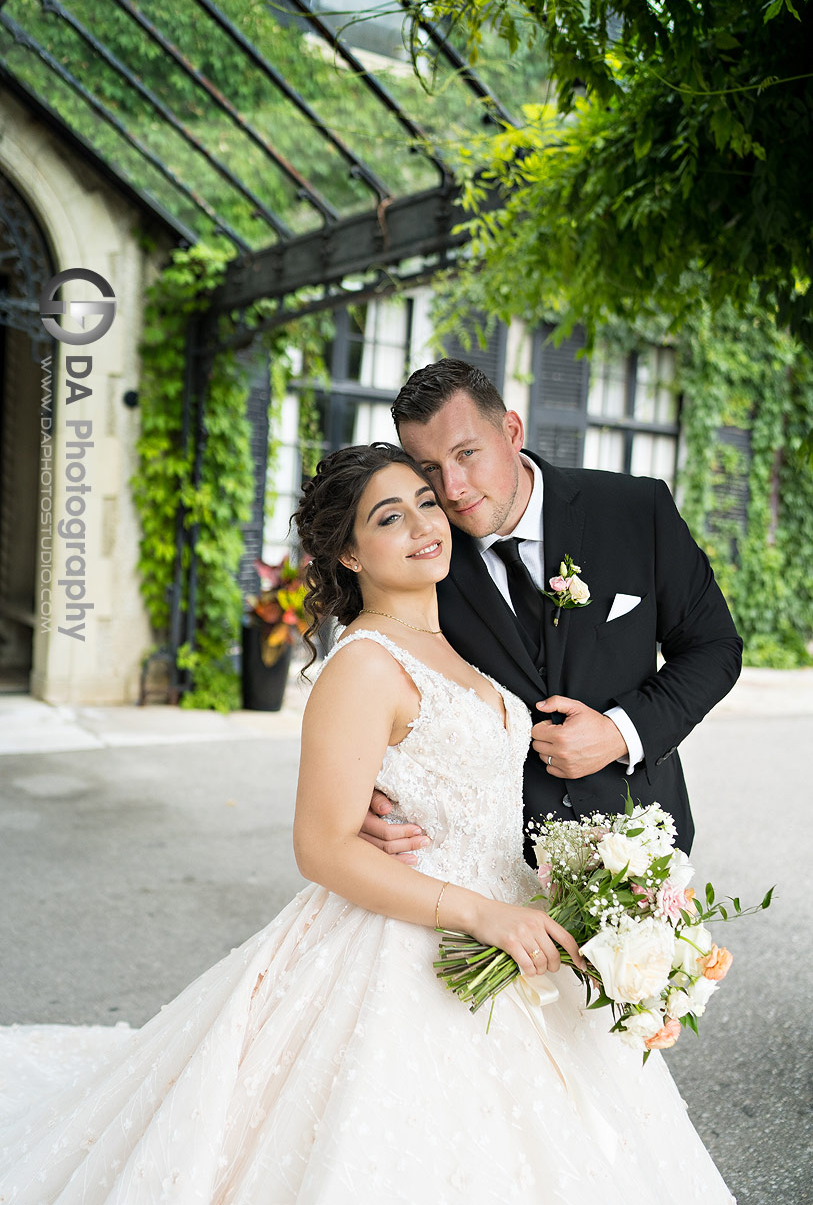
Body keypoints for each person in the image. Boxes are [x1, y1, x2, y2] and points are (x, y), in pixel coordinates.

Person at [0, 443, 736, 1204]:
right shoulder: (363, 665)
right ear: (348, 553)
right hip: (416, 931)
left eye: (426, 502)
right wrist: (479, 912)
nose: (425, 524)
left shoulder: (455, 639)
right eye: (391, 517)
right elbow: (319, 847)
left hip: (510, 907)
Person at [361, 359, 742, 869]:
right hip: (492, 862)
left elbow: (714, 646)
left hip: (641, 844)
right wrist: (359, 786)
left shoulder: (636, 510)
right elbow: (367, 664)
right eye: (429, 467)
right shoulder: (421, 554)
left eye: (466, 453)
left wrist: (621, 732)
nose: (452, 488)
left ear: (512, 431)